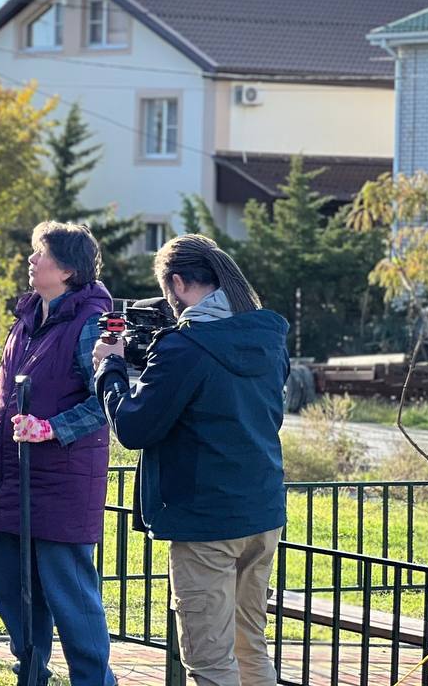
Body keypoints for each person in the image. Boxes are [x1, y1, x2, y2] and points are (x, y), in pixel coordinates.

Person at [94, 234, 288, 686]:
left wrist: (111, 370)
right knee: (249, 645)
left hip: (206, 522)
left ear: (178, 284)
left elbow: (134, 427)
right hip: (262, 511)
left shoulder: (186, 348)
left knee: (210, 660)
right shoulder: (267, 335)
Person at [0, 221, 115, 686]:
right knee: (13, 596)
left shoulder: (92, 324)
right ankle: (31, 677)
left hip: (61, 485)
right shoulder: (27, 319)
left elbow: (104, 401)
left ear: (66, 269)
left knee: (71, 601)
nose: (31, 261)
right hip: (11, 482)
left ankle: (94, 681)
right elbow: (2, 391)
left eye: (39, 253)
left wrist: (51, 429)